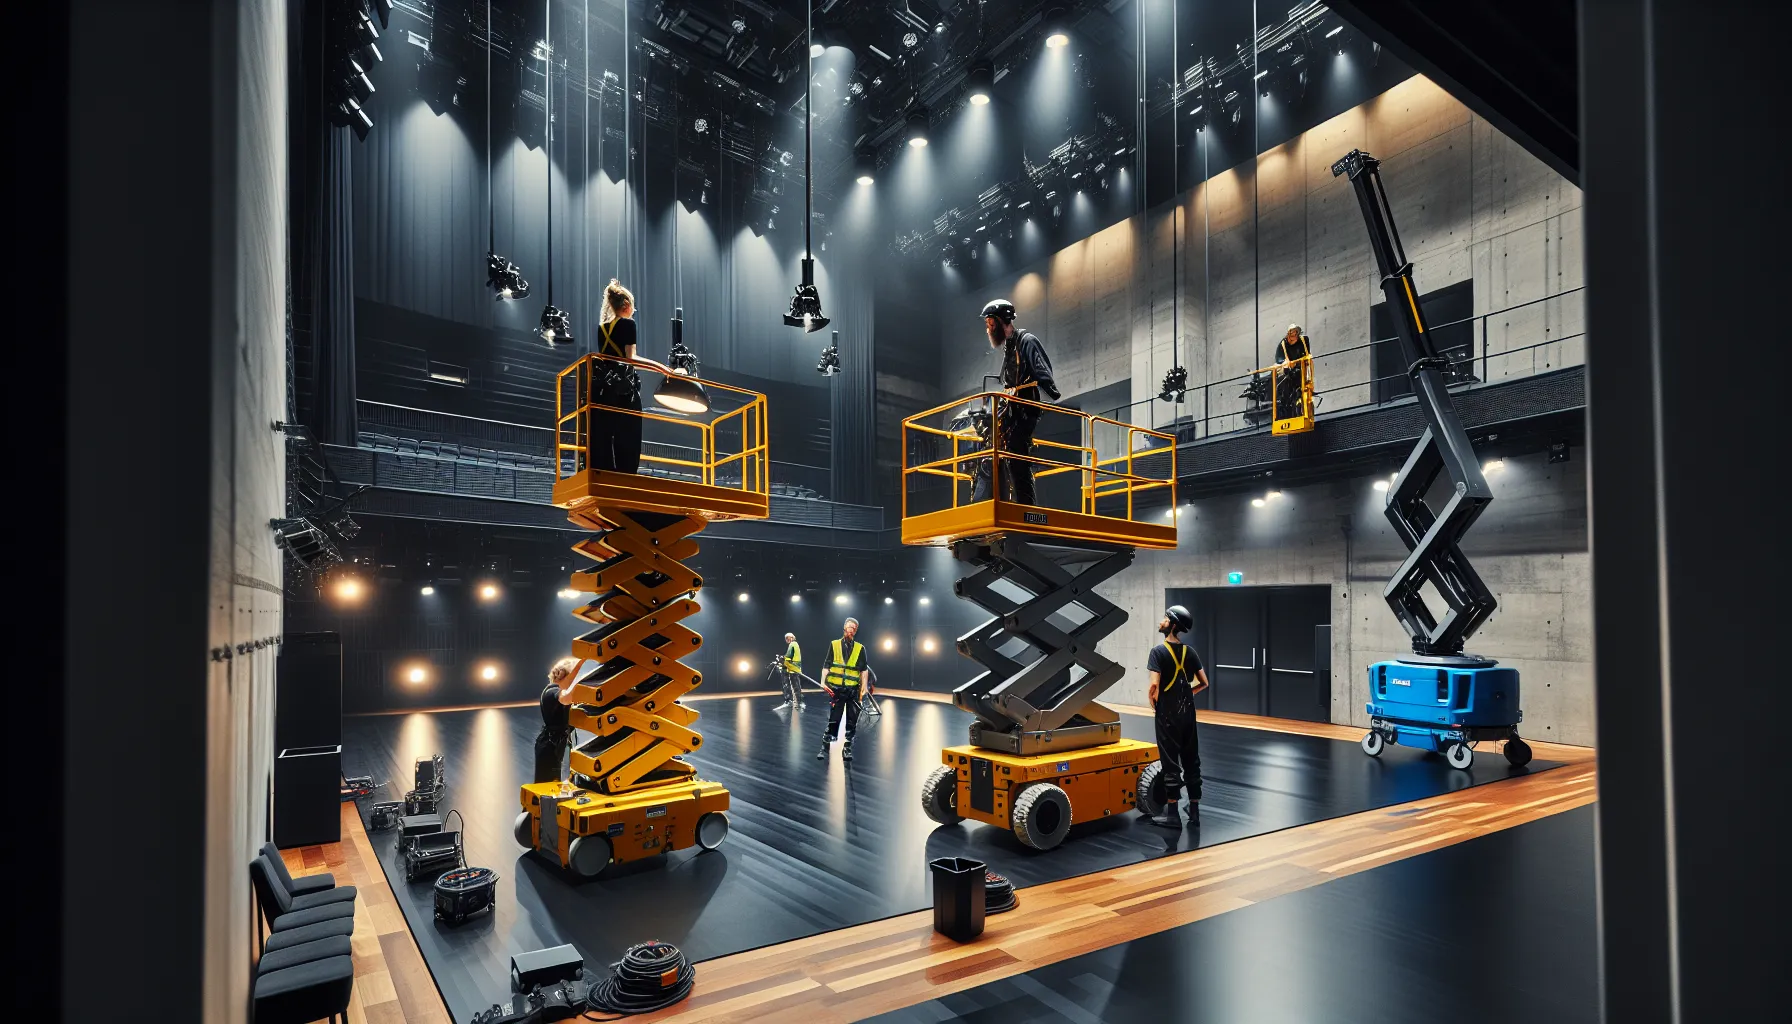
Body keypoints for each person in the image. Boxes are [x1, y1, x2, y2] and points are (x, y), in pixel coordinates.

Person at [980, 299, 1060, 506]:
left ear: (998, 321)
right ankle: (1003, 501)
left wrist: (1033, 391)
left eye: (989, 323)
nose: (987, 328)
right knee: (996, 451)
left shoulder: (1026, 341)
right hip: (1012, 410)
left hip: (1025, 410)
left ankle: (1026, 506)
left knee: (1017, 456)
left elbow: (1044, 377)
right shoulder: (1010, 346)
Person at [1144, 605, 1209, 828]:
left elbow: (1154, 685)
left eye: (1164, 618)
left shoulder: (1158, 652)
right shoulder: (1190, 652)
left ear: (1172, 625)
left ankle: (1172, 814)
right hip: (1188, 713)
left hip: (1168, 714)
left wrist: (1154, 702)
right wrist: (1189, 692)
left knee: (1170, 762)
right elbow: (1205, 682)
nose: (1161, 621)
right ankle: (1195, 811)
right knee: (1192, 760)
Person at [592, 280, 644, 473]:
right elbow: (631, 358)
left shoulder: (601, 328)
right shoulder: (628, 324)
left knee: (607, 437)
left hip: (605, 392)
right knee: (628, 438)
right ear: (626, 306)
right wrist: (660, 367)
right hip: (624, 393)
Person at [815, 617, 874, 763]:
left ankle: (847, 747)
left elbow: (864, 670)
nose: (852, 629)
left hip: (853, 690)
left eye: (854, 628)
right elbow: (827, 664)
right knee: (834, 719)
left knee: (852, 721)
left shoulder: (860, 648)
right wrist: (823, 682)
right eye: (850, 626)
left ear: (856, 631)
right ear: (844, 628)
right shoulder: (834, 645)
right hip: (837, 689)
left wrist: (864, 688)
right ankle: (825, 746)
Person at [533, 657, 581, 784]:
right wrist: (583, 661)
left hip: (559, 744)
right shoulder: (551, 691)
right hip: (549, 746)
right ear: (566, 675)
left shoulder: (563, 692)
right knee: (548, 787)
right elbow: (566, 698)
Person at [1274, 323, 1312, 422]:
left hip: (1301, 368)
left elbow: (1307, 354)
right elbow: (1279, 359)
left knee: (1302, 385)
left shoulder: (1304, 340)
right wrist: (1287, 364)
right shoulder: (1283, 344)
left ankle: (1302, 407)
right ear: (1289, 334)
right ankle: (1286, 409)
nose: (1294, 335)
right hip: (1289, 370)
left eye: (1295, 332)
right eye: (1292, 332)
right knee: (1285, 384)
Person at [781, 632, 806, 710]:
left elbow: (789, 655)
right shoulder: (795, 644)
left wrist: (783, 659)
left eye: (788, 638)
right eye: (786, 638)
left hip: (793, 668)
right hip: (794, 668)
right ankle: (798, 702)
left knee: (793, 686)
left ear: (792, 638)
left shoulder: (792, 644)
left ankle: (793, 701)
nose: (787, 640)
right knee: (796, 686)